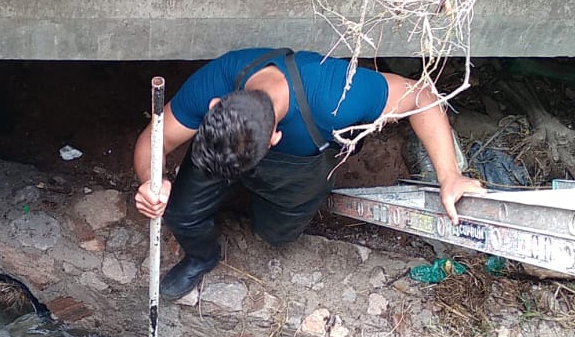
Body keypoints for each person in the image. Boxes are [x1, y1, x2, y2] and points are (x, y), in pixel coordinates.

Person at [133, 47, 485, 300]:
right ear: (214, 107)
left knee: (275, 234)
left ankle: (256, 206)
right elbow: (154, 138)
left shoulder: (335, 95)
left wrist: (449, 175)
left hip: (299, 169)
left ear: (274, 138)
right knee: (180, 211)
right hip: (228, 150)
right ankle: (202, 257)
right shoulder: (216, 79)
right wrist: (150, 182)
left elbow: (420, 94)